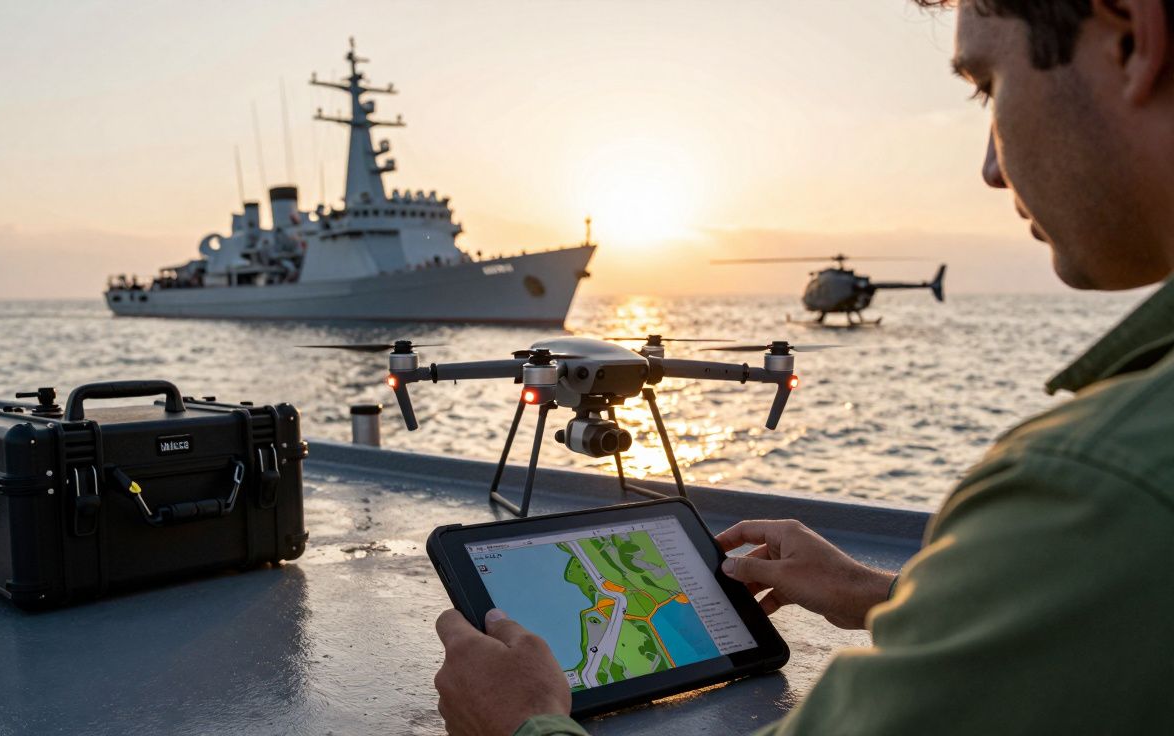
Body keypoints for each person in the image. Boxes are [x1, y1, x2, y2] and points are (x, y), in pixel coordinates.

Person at [433, 0, 1174, 733]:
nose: (988, 167)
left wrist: (524, 724)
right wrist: (880, 593)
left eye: (987, 85)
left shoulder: (1098, 486)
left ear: (1136, 39)